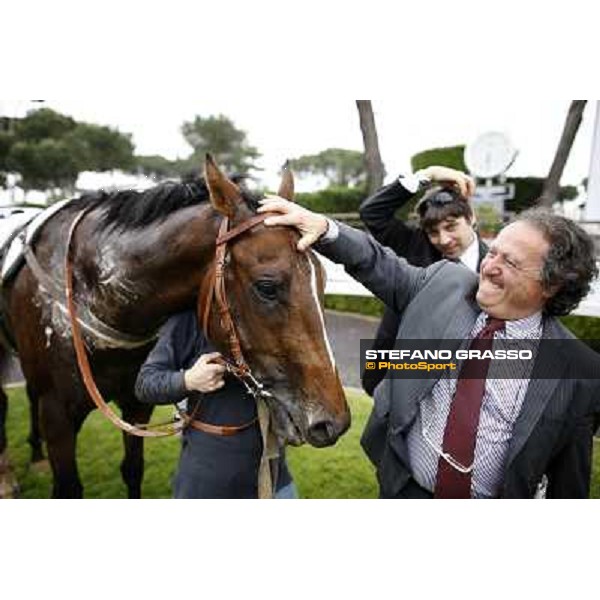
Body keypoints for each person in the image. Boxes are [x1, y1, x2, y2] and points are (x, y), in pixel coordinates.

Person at [258, 194, 600, 499]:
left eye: (509, 263)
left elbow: (569, 484)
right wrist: (326, 227)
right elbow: (377, 261)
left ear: (552, 284)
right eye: (492, 251)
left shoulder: (579, 371)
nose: (488, 266)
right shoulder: (444, 283)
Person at [135, 310, 296, 499]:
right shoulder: (192, 319)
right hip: (206, 486)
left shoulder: (271, 316)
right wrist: (188, 380)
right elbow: (144, 384)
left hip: (274, 480)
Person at [359, 166, 487, 396]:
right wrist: (428, 174)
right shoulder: (414, 246)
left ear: (471, 218)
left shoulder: (494, 263)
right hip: (400, 377)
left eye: (451, 227)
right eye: (433, 232)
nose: (444, 240)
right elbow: (372, 213)